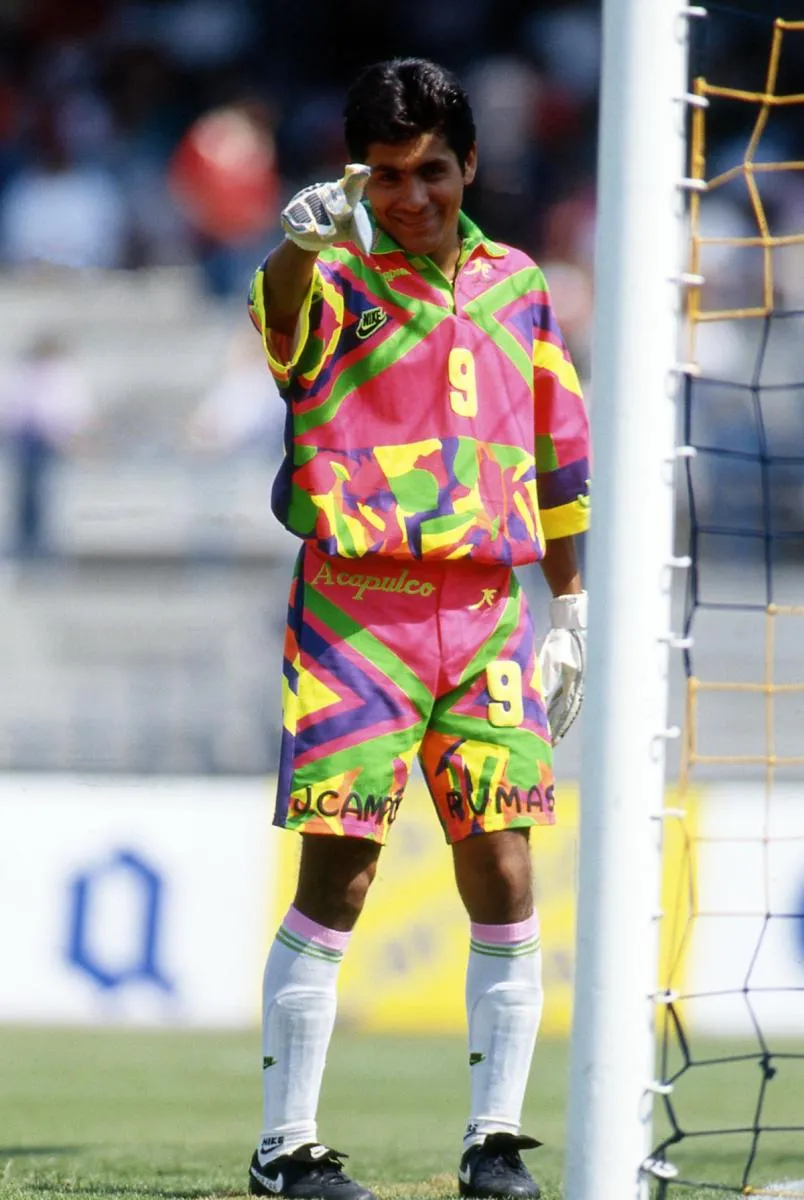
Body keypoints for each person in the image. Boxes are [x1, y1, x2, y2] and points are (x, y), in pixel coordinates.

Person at [246, 58, 590, 1200]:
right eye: (386, 176)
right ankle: (284, 1148)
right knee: (339, 872)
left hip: (488, 614)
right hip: (356, 611)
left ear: (470, 165)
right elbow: (283, 331)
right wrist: (298, 246)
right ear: (360, 176)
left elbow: (558, 453)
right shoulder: (333, 276)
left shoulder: (521, 285)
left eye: (431, 170)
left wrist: (572, 603)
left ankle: (494, 1144)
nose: (412, 196)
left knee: (503, 865)